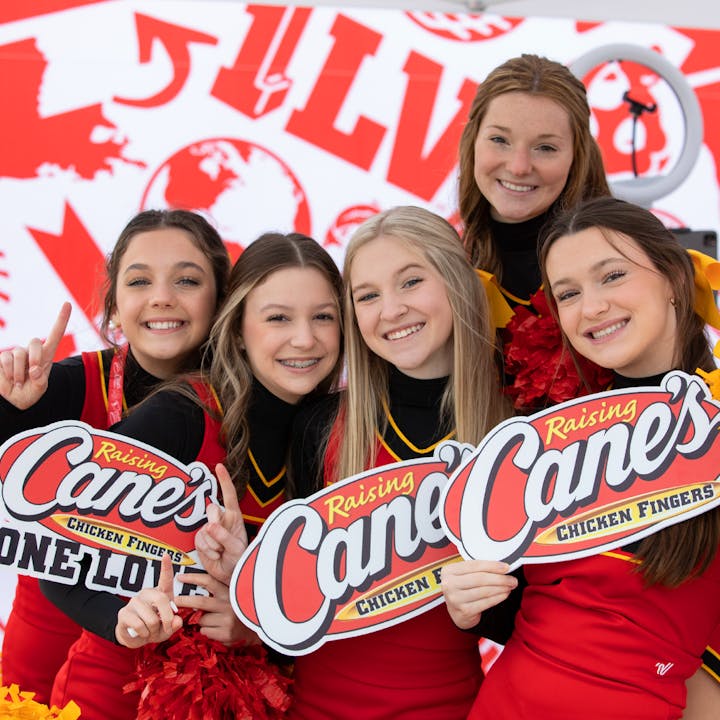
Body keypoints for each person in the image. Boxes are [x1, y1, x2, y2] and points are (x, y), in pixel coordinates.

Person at [41, 232, 344, 720]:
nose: (304, 338)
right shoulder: (179, 416)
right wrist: (121, 617)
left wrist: (257, 623)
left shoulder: (333, 435)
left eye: (323, 317)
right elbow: (54, 558)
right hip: (110, 697)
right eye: (278, 318)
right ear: (238, 326)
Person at [442, 197, 720, 720]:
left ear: (674, 280)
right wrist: (471, 603)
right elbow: (522, 614)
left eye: (612, 275)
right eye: (568, 293)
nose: (591, 307)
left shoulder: (715, 427)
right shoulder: (550, 442)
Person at [286, 206, 514, 719]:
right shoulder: (320, 426)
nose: (390, 310)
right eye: (367, 296)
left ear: (456, 282)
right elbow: (288, 612)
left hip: (451, 707)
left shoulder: (516, 433)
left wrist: (482, 608)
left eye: (410, 282)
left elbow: (531, 620)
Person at [0, 208, 230, 704]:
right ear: (114, 302)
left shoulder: (238, 401)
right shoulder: (61, 382)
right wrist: (9, 409)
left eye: (187, 280)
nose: (161, 297)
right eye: (139, 280)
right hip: (43, 664)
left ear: (222, 299)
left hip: (178, 679)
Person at [458, 53, 613, 409]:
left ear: (578, 155)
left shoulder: (622, 259)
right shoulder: (445, 264)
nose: (518, 166)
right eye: (500, 140)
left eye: (545, 147)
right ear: (473, 140)